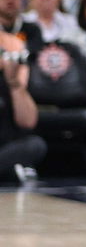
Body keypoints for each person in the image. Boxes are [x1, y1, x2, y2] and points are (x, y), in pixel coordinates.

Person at [0, 30, 45, 184]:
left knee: (35, 145)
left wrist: (14, 83)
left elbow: (28, 121)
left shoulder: (10, 76)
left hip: (6, 147)